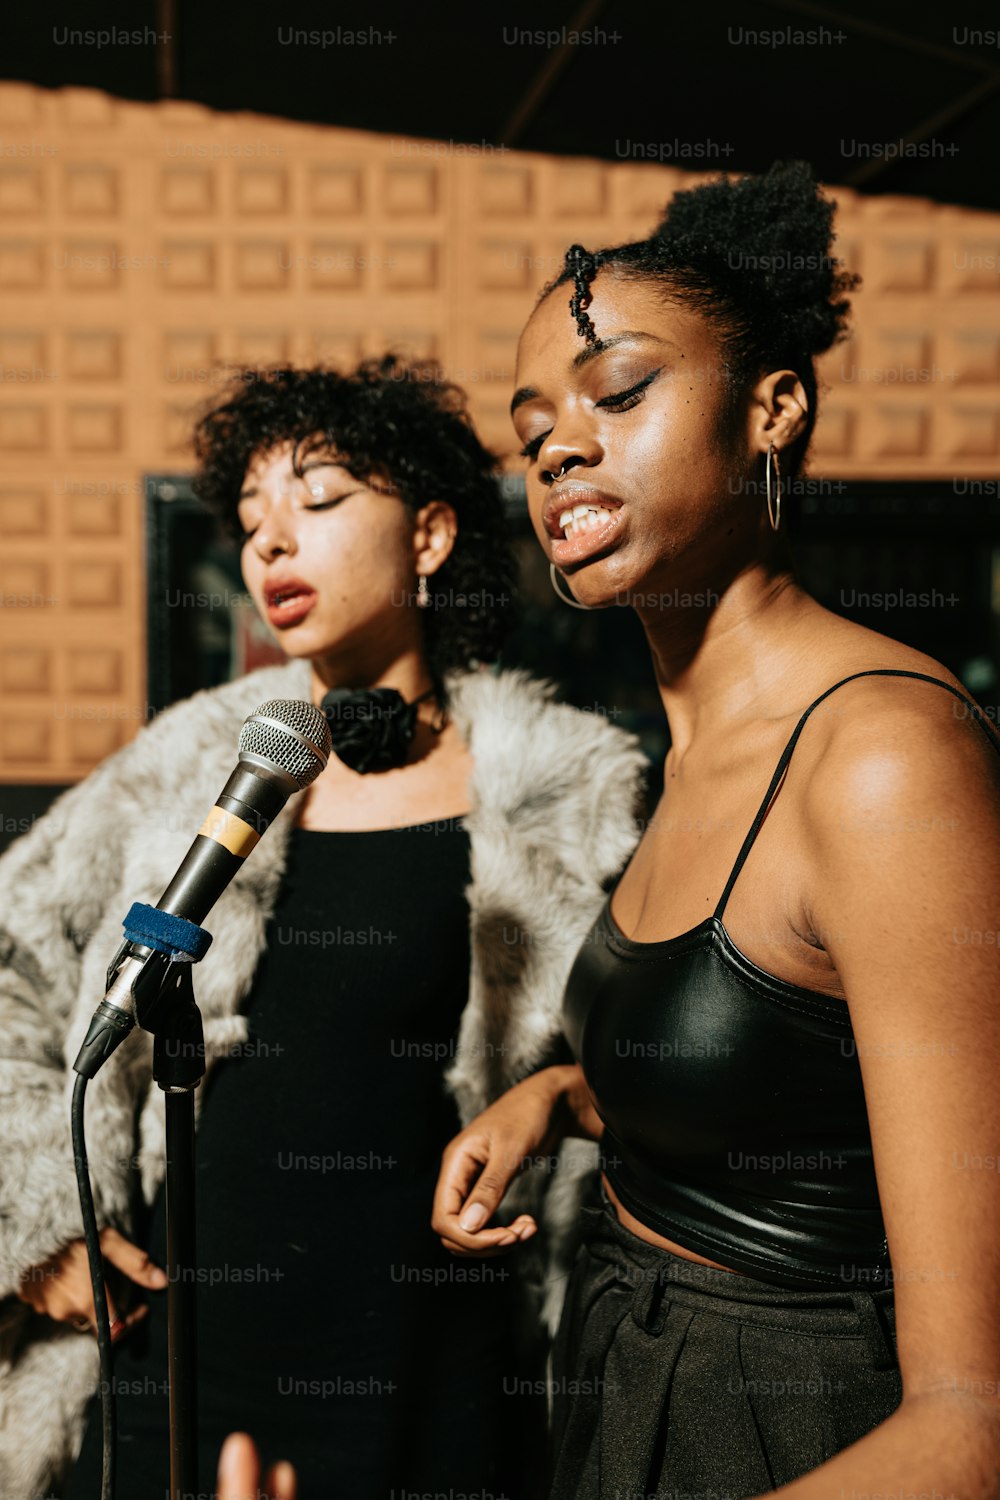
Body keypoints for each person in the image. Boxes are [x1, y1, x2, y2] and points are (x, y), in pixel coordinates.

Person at [433, 162, 1000, 1498]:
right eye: (532, 432)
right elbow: (790, 1087)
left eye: (617, 394)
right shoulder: (685, 750)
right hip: (632, 1389)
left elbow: (972, 1425)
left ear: (773, 407)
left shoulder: (883, 761)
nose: (560, 446)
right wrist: (562, 1099)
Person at [0, 356, 649, 1500]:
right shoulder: (186, 765)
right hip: (183, 1356)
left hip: (433, 1374)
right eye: (251, 518)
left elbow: (649, 1075)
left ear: (432, 534)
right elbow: (9, 964)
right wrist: (43, 1222)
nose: (270, 542)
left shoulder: (573, 796)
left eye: (319, 499)